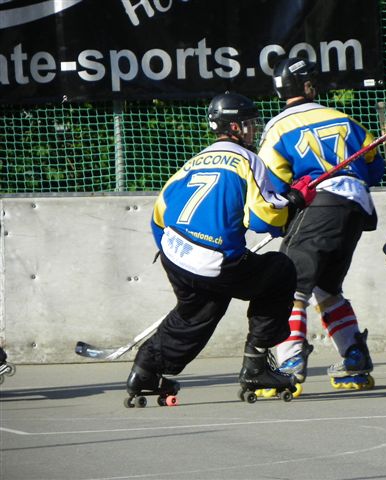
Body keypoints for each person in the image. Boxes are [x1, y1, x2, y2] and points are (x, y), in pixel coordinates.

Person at [124, 92, 316, 406]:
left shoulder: (191, 163)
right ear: (235, 127)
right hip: (213, 258)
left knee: (198, 310)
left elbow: (159, 215)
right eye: (249, 124)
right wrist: (295, 201)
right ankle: (256, 364)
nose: (253, 129)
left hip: (174, 253)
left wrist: (181, 254)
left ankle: (146, 369)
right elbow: (264, 218)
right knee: (280, 271)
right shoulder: (248, 161)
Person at [257, 56, 385, 390]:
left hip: (320, 204)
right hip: (356, 206)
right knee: (327, 287)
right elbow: (375, 167)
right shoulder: (343, 118)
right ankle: (355, 357)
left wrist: (277, 214)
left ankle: (290, 364)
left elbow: (272, 182)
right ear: (309, 85)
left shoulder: (277, 127)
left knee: (288, 284)